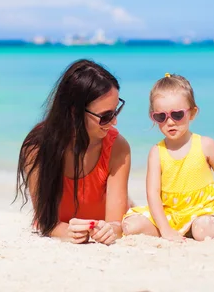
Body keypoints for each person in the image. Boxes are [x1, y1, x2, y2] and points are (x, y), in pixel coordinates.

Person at [15, 59, 131, 245]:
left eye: (116, 111)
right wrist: (67, 231)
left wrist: (110, 230)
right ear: (74, 112)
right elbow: (46, 221)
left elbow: (116, 224)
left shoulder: (117, 147)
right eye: (106, 116)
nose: (114, 122)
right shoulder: (37, 148)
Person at [122, 73, 214, 242]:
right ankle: (175, 230)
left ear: (192, 113)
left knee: (201, 230)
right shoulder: (156, 152)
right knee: (131, 226)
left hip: (201, 212)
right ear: (153, 117)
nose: (170, 122)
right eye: (161, 116)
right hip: (170, 213)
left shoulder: (206, 145)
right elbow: (153, 194)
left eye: (177, 115)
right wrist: (165, 229)